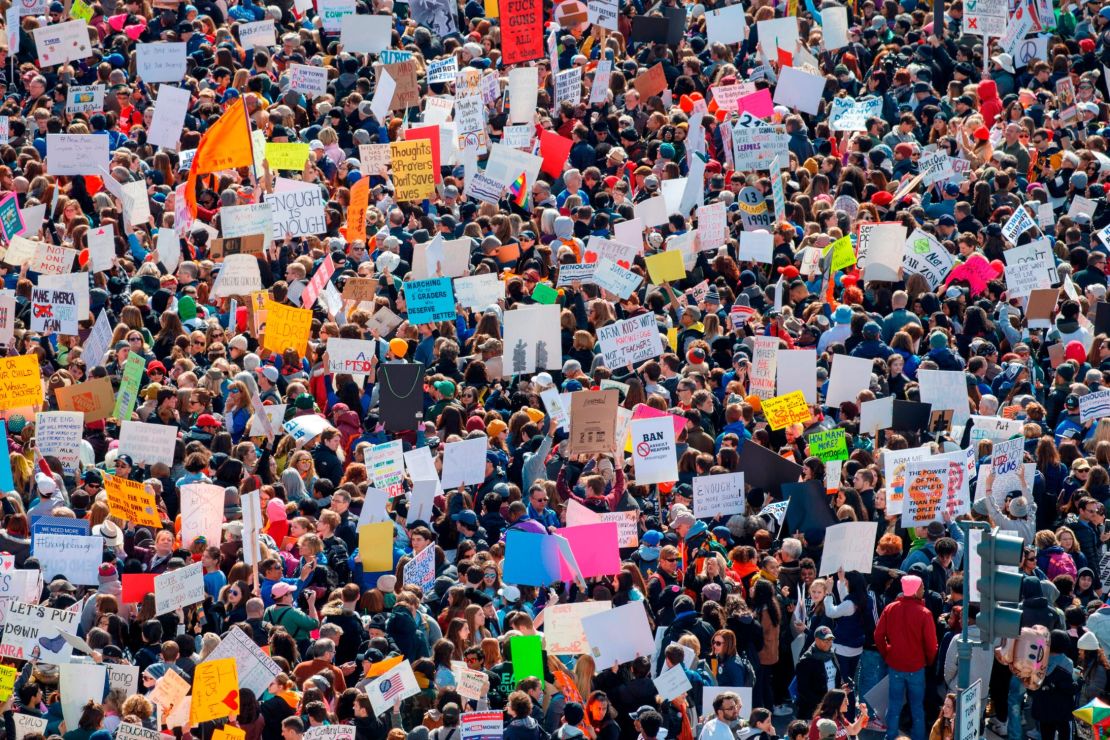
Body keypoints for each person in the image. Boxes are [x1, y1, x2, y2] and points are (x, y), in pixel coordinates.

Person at [874, 575, 938, 740]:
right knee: (917, 707)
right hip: (916, 667)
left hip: (895, 664)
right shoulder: (924, 613)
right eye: (922, 587)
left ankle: (891, 736)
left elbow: (878, 635)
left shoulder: (891, 608)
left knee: (894, 704)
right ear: (916, 590)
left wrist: (887, 653)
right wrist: (928, 661)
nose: (924, 589)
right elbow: (931, 646)